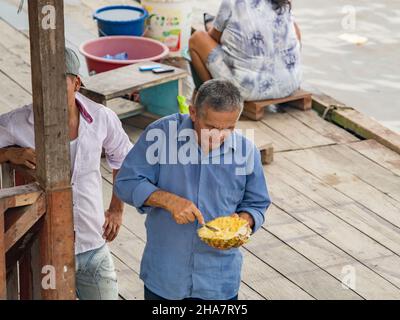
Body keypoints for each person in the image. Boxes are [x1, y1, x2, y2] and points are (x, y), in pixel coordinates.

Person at [115, 79, 271, 300]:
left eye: (229, 128)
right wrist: (166, 200)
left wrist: (244, 222)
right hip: (166, 277)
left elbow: (257, 203)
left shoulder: (247, 152)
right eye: (212, 127)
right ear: (193, 113)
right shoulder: (160, 135)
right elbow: (126, 183)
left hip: (219, 281)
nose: (219, 136)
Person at [0, 48, 133, 300]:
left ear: (77, 83)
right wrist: (8, 155)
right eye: (41, 85)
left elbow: (124, 160)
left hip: (93, 243)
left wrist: (116, 209)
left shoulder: (102, 118)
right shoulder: (18, 122)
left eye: (56, 84)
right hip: (45, 248)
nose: (47, 93)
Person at [189, 0, 302, 101]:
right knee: (294, 27)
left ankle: (215, 98)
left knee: (197, 38)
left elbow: (214, 38)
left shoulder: (231, 3)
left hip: (248, 89)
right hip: (291, 83)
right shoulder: (284, 3)